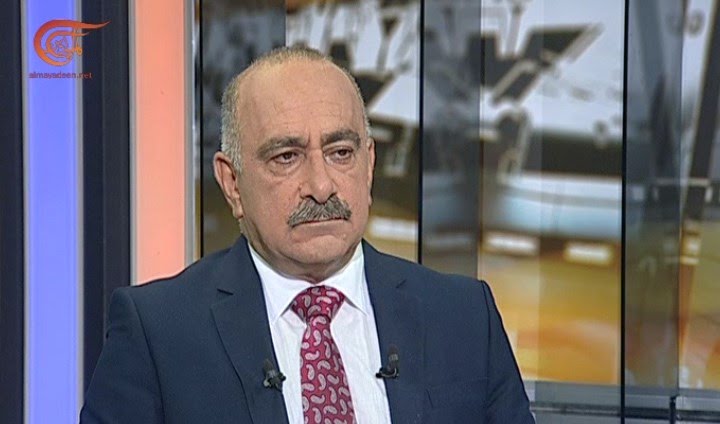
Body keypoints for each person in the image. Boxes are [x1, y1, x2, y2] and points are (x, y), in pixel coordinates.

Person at [81, 46, 534, 424]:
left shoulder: (463, 318)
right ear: (232, 183)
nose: (321, 186)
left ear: (369, 165)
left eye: (340, 152)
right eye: (286, 157)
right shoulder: (158, 334)